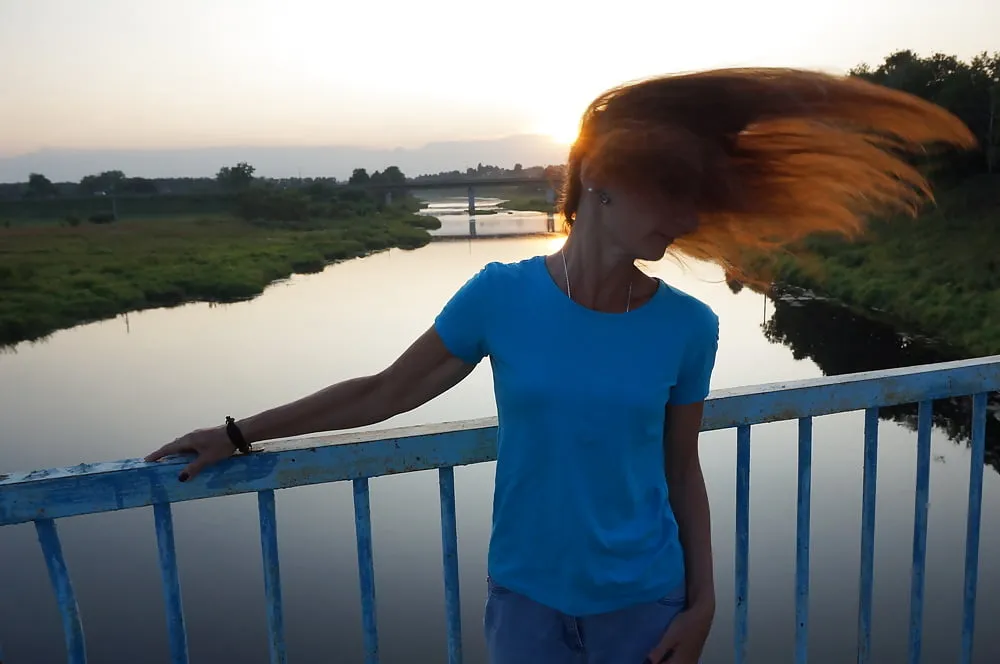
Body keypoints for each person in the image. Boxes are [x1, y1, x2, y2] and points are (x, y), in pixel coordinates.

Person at [145, 68, 974, 664]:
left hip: (644, 611)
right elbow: (386, 391)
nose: (688, 218)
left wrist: (703, 603)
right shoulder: (500, 296)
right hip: (527, 608)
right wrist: (236, 433)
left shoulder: (686, 326)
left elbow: (682, 472)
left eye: (697, 199)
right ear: (603, 183)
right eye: (674, 192)